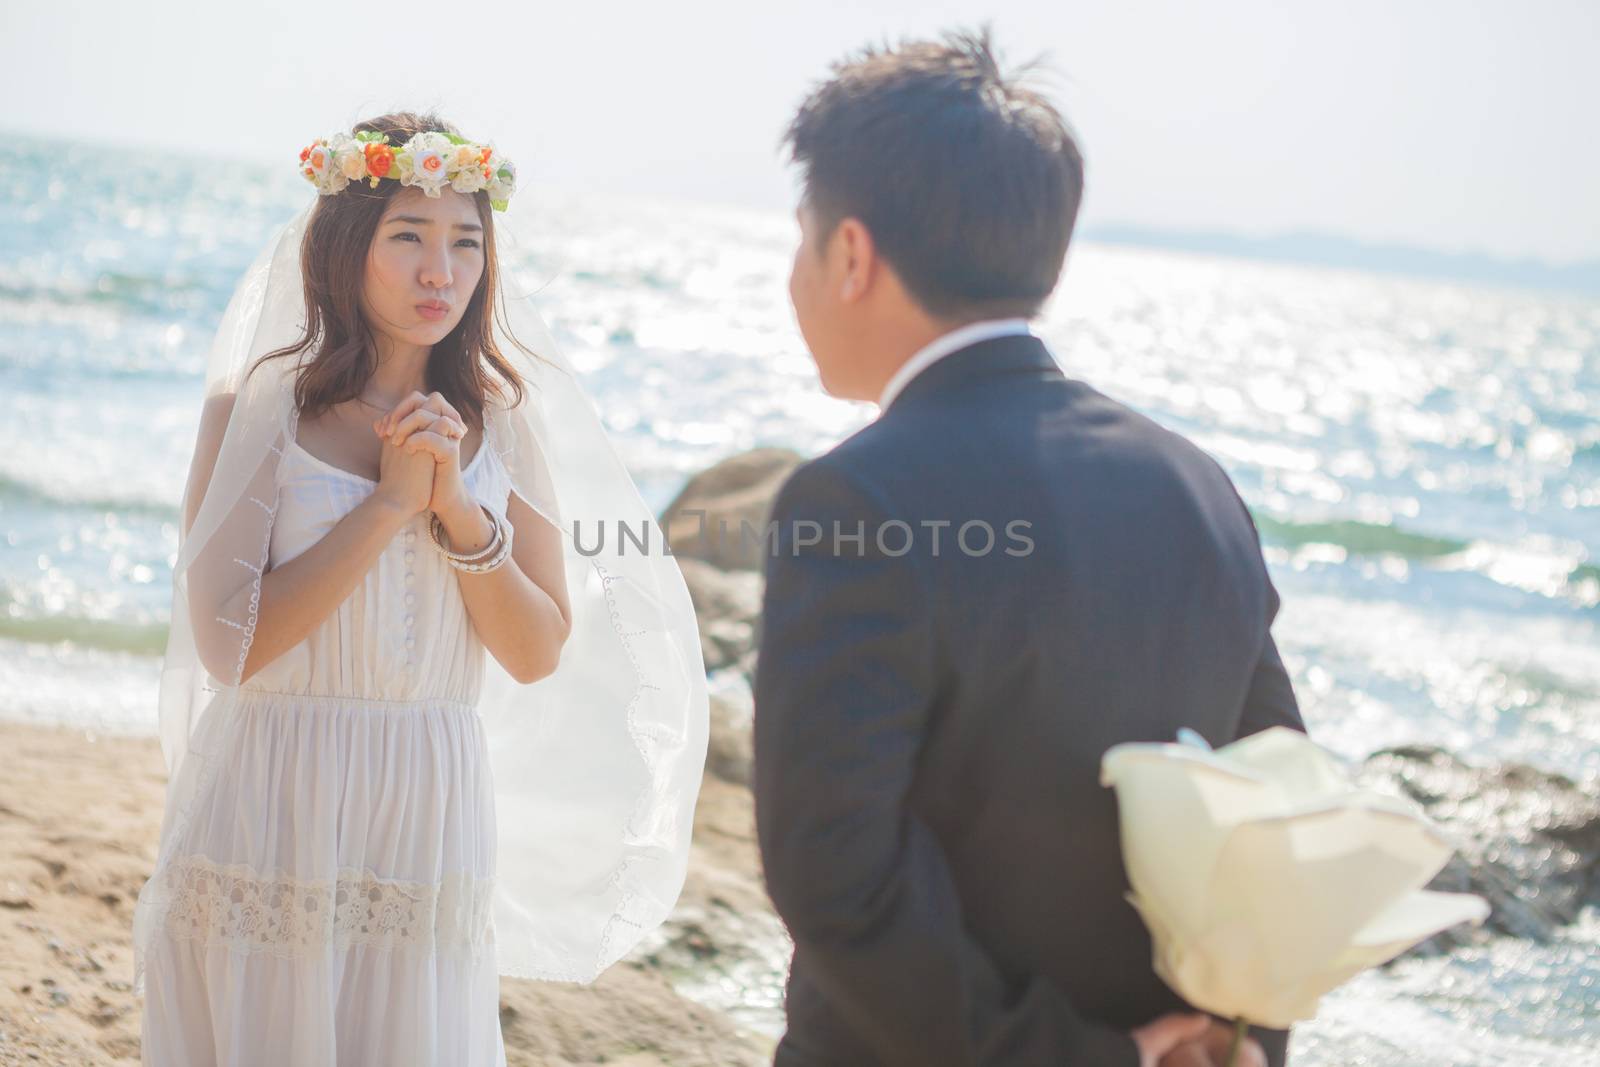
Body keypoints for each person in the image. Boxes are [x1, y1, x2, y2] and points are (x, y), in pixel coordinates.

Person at [752, 28, 1302, 1067]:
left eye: (802, 239)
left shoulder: (854, 494)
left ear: (852, 254)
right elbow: (1276, 807)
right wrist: (1234, 1040)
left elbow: (835, 874)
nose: (794, 280)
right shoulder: (1195, 484)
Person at [132, 111, 708, 1066]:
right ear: (347, 247)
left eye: (466, 242)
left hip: (428, 799)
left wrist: (462, 518)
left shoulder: (504, 427)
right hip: (277, 789)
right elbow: (228, 644)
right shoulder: (259, 412)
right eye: (409, 237)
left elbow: (534, 652)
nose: (441, 269)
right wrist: (390, 507)